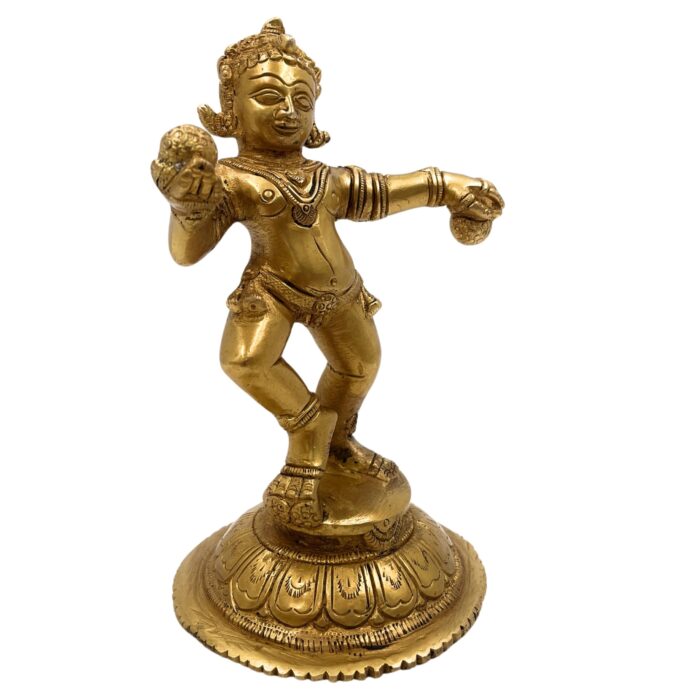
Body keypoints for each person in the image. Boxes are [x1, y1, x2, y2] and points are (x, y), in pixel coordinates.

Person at [151, 19, 503, 529]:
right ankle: (310, 429)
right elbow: (188, 253)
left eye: (302, 99)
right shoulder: (231, 179)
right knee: (245, 360)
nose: (288, 111)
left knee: (360, 366)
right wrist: (186, 207)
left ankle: (338, 443)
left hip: (342, 293)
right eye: (268, 96)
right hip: (272, 291)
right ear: (231, 110)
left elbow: (384, 192)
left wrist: (449, 186)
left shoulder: (326, 178)